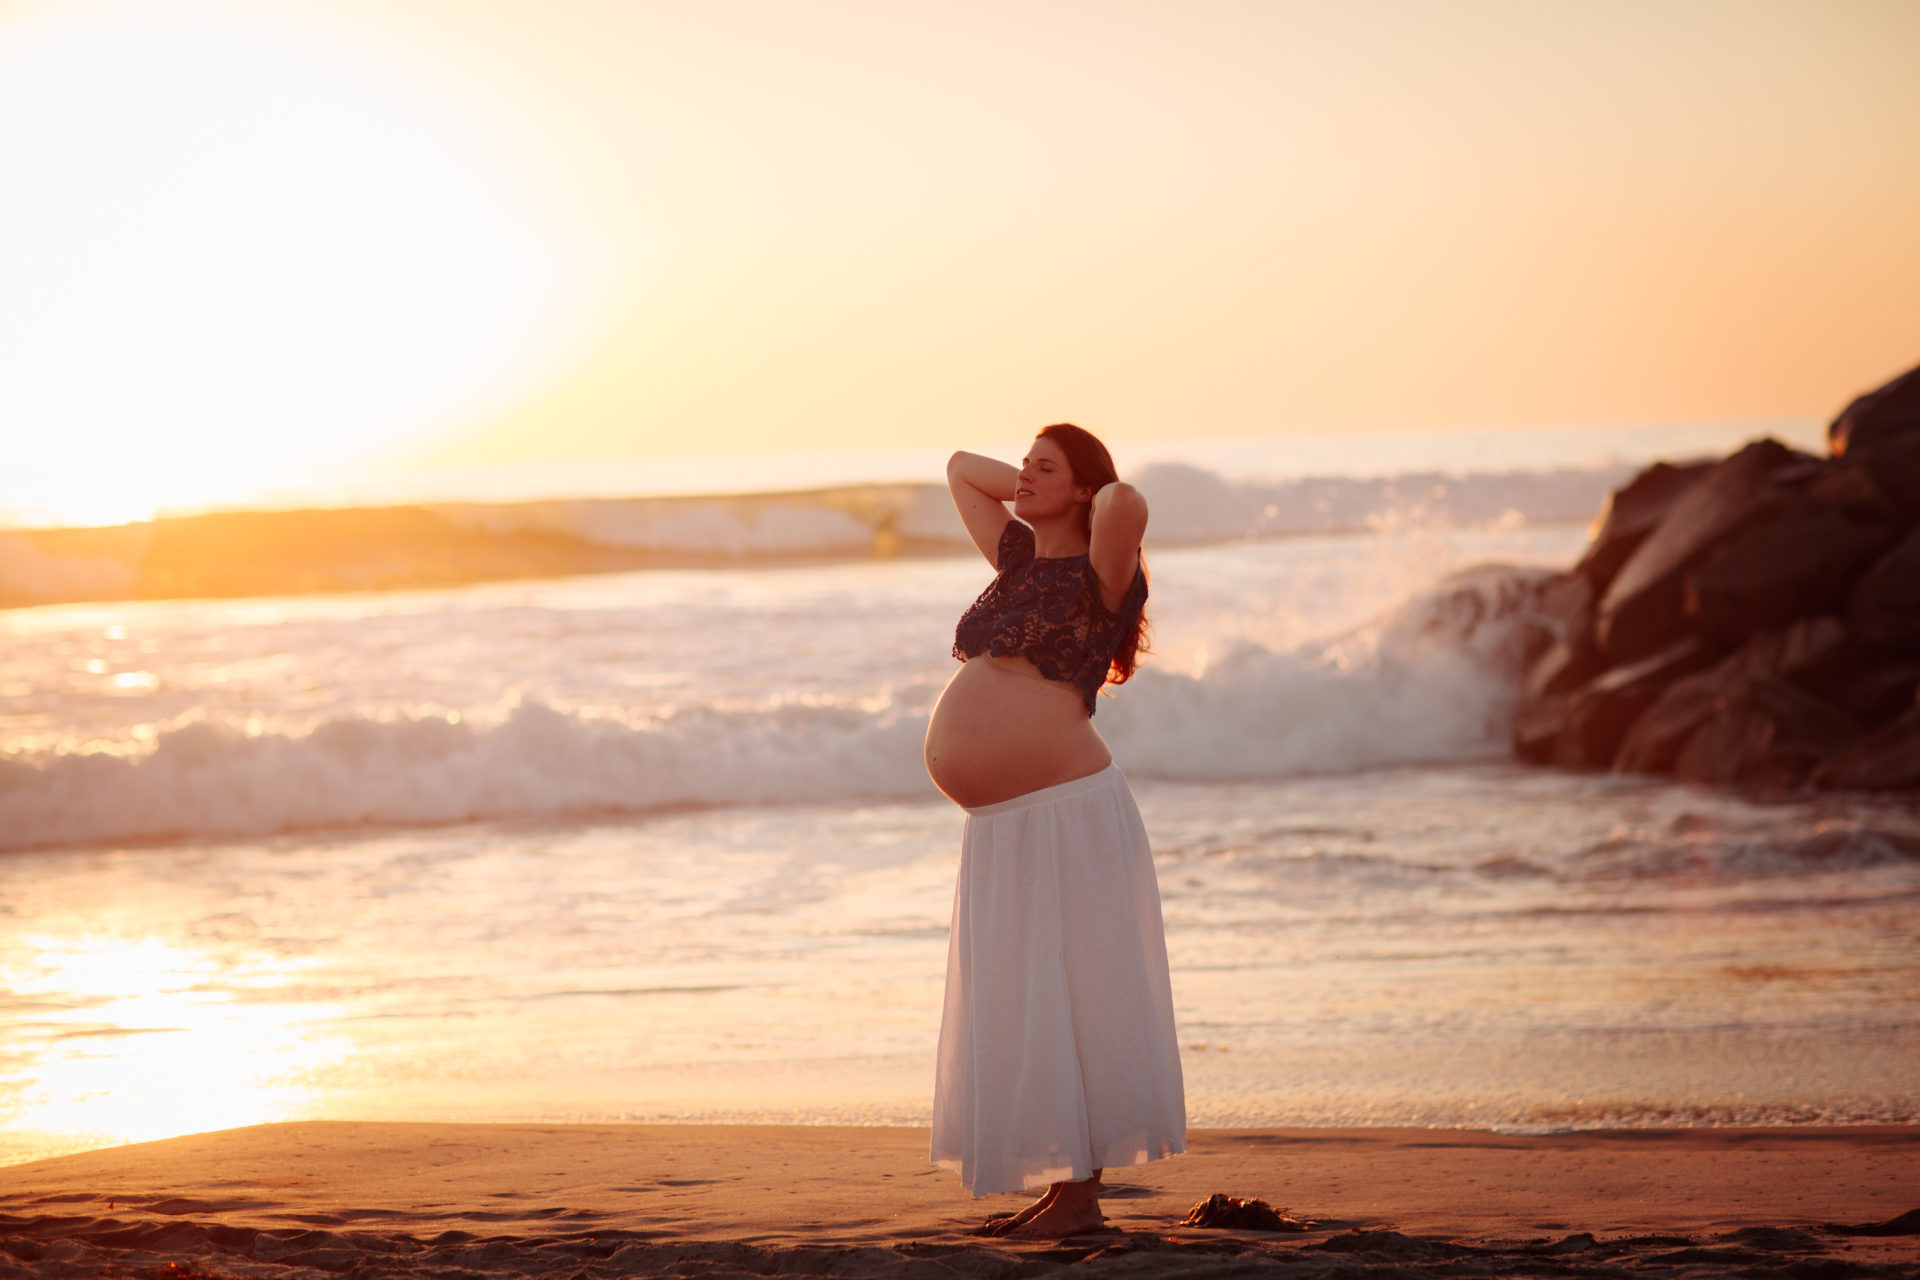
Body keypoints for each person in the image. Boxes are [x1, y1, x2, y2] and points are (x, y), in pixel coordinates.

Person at [925, 422, 1186, 1239]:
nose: (1023, 476)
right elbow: (962, 470)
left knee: (1078, 994)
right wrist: (1041, 488)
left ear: (1082, 489)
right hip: (1006, 824)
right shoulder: (1018, 560)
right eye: (1026, 465)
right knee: (1027, 994)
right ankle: (1068, 1190)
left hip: (1066, 812)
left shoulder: (1100, 574)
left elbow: (1125, 501)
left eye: (1045, 467)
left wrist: (1077, 489)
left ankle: (1080, 1201)